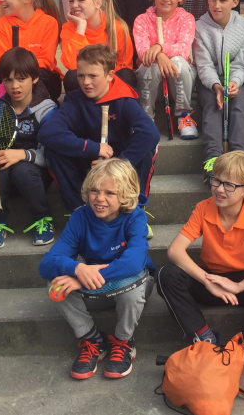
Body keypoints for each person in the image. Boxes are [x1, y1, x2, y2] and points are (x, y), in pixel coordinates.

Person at [157, 151, 244, 355]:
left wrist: (238, 286)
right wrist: (207, 281)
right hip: (212, 280)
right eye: (216, 180)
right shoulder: (204, 208)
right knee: (166, 275)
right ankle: (204, 338)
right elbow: (175, 250)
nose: (219, 189)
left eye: (229, 185)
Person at [41, 158, 155, 380]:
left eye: (110, 193)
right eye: (94, 190)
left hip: (132, 284)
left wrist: (82, 278)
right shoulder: (80, 217)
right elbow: (47, 264)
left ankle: (123, 341)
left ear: (125, 195)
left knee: (132, 290)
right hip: (95, 287)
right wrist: (76, 268)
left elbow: (133, 263)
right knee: (56, 284)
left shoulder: (135, 217)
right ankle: (92, 340)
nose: (99, 198)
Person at [39, 45, 159, 214]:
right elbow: (47, 132)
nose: (85, 82)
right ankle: (79, 209)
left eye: (92, 76)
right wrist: (91, 148)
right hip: (88, 160)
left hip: (119, 161)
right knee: (52, 149)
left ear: (110, 75)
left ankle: (134, 209)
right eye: (81, 75)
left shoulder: (124, 99)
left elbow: (151, 133)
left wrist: (117, 164)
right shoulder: (74, 100)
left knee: (148, 147)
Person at [0, 48, 58, 249]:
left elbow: (53, 155)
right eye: (8, 80)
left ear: (34, 78)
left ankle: (43, 219)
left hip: (36, 175)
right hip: (4, 174)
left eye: (21, 79)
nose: (15, 86)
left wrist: (22, 154)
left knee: (22, 169)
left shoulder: (47, 109)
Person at [193, 0, 244, 174]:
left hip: (236, 79)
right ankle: (212, 159)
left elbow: (241, 63)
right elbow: (203, 65)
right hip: (209, 81)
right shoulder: (199, 27)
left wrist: (235, 82)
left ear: (235, 2)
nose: (216, 5)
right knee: (213, 104)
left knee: (240, 103)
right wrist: (216, 86)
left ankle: (239, 158)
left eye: (223, 0)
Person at [133, 0, 198, 139]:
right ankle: (146, 119)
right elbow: (143, 53)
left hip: (179, 82)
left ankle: (184, 115)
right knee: (149, 65)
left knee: (179, 61)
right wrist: (159, 55)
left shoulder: (187, 18)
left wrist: (158, 48)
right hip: (152, 84)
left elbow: (183, 48)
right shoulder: (141, 20)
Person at [0, 0, 64, 103]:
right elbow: (1, 61)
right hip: (12, 76)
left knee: (42, 76)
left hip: (40, 75)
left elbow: (46, 61)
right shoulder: (0, 24)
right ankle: (1, 110)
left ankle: (44, 109)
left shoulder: (49, 22)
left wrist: (22, 69)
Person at [61, 0, 136, 92]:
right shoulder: (68, 28)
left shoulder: (117, 27)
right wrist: (80, 27)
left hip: (109, 83)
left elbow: (124, 65)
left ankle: (115, 103)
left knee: (127, 75)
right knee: (71, 77)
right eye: (71, 1)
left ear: (98, 2)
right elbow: (71, 64)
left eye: (81, 0)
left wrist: (98, 79)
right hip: (86, 84)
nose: (74, 5)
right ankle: (85, 104)